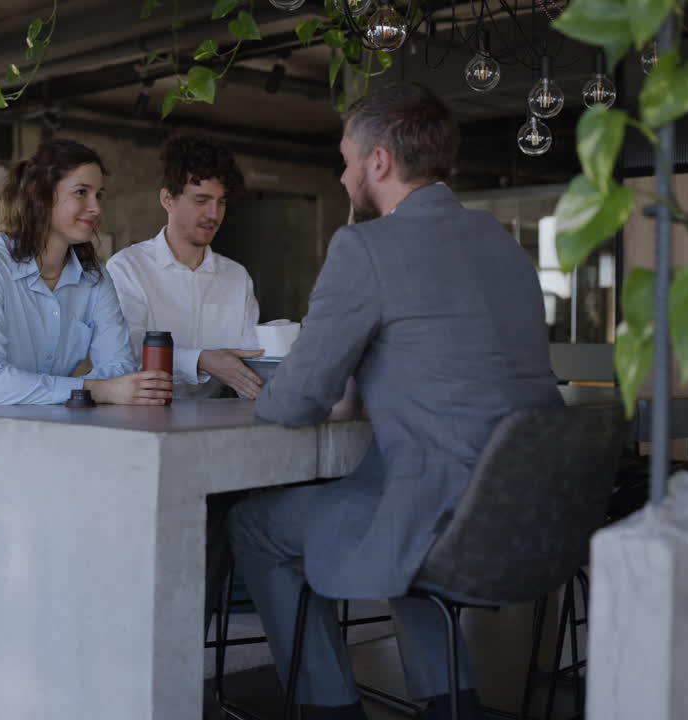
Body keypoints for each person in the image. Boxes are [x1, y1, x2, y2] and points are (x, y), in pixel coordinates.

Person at [227, 83, 562, 720]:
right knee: (393, 511)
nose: (345, 171)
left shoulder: (364, 247)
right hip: (526, 511)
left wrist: (266, 383)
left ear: (379, 162)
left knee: (256, 526)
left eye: (349, 158)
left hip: (438, 516)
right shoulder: (504, 244)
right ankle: (450, 705)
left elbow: (294, 402)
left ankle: (331, 708)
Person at [0, 138, 173, 409]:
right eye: (82, 192)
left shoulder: (95, 277)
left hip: (44, 426)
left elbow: (119, 369)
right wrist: (98, 389)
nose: (96, 207)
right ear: (42, 195)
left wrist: (101, 389)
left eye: (99, 194)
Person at [105, 134, 264, 400]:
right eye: (201, 201)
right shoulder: (128, 268)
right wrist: (201, 360)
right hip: (141, 420)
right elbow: (125, 353)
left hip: (214, 422)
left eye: (221, 202)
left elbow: (250, 356)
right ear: (168, 199)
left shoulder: (236, 277)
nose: (214, 214)